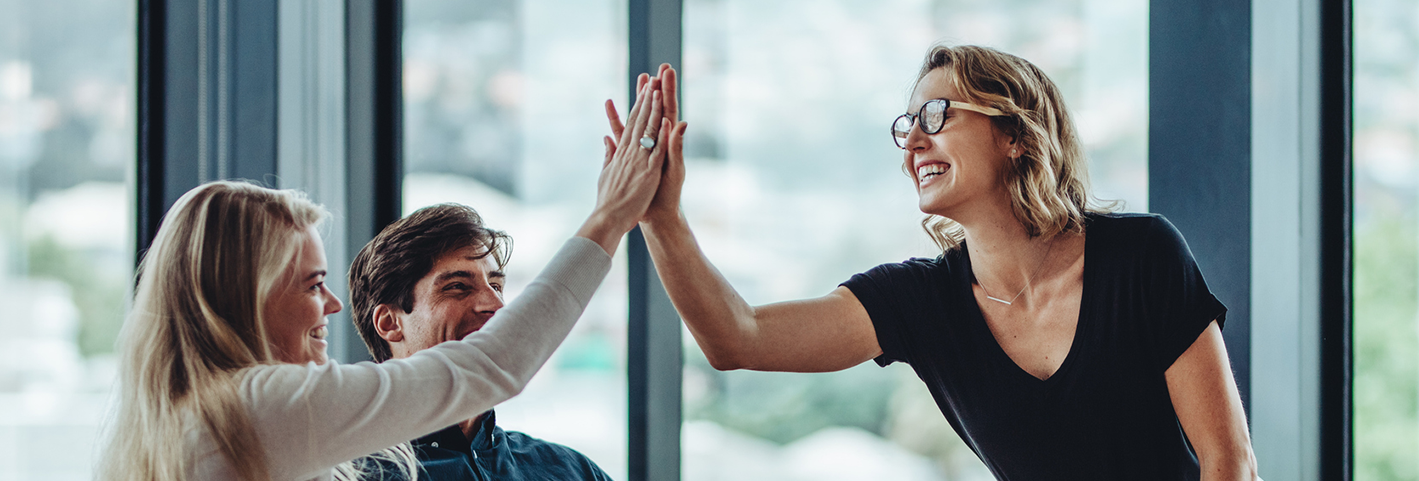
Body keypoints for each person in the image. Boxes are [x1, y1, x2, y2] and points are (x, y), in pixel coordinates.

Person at [614, 46, 1257, 480]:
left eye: (937, 115)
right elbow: (736, 338)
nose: (914, 141)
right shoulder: (920, 303)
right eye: (907, 125)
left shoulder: (1142, 257)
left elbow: (1230, 467)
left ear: (1014, 135)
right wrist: (661, 217)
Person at [97, 73, 675, 480]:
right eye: (309, 282)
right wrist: (609, 217)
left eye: (496, 283)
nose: (330, 304)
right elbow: (490, 367)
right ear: (244, 295)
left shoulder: (172, 421)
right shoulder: (256, 412)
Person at [346, 203, 611, 480]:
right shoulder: (348, 474)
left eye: (496, 286)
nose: (496, 305)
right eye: (458, 286)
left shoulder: (572, 470)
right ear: (390, 323)